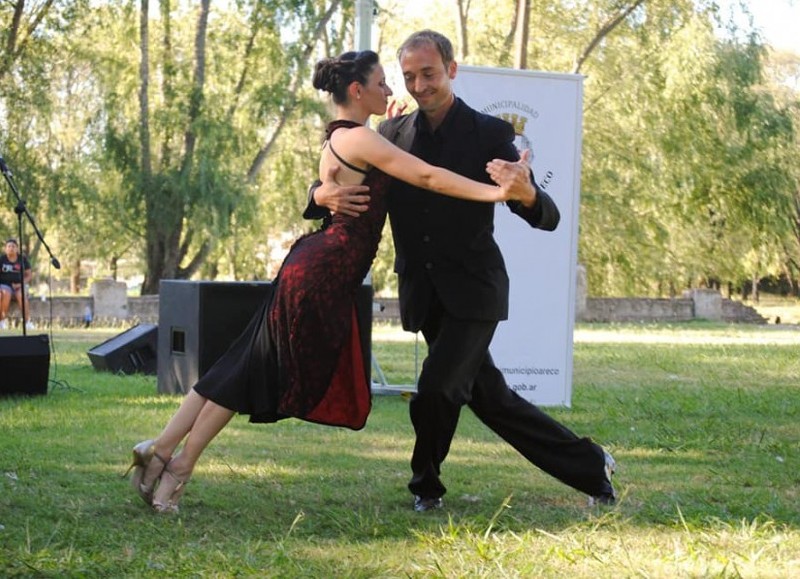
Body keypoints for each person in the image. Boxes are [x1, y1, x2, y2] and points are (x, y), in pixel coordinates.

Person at [125, 49, 532, 514]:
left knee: (242, 363)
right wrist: (498, 191)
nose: (391, 90)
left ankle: (161, 451)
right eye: (382, 83)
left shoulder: (343, 137)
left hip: (314, 264)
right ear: (356, 91)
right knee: (249, 371)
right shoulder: (361, 139)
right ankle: (178, 467)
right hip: (325, 271)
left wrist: (325, 188)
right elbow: (427, 176)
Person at [306, 30, 616, 512]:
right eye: (408, 77)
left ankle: (425, 488)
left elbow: (546, 214)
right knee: (492, 401)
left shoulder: (490, 134)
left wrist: (526, 192)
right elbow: (333, 175)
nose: (419, 85)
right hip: (424, 293)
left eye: (428, 74)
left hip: (475, 291)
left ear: (452, 69)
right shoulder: (389, 134)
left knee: (436, 388)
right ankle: (593, 465)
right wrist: (318, 196)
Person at [0, 238, 33, 330]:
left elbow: (29, 275)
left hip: (20, 285)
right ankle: (2, 322)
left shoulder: (22, 259)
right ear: (5, 249)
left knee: (21, 295)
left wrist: (20, 284)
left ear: (17, 248)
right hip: (4, 285)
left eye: (13, 246)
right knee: (6, 293)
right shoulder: (2, 259)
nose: (11, 248)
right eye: (9, 246)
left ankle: (27, 322)